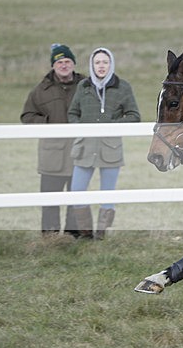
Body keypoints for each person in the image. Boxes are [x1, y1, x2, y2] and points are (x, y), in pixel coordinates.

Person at [68, 47, 140, 239]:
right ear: (92, 64)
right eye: (98, 62)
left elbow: (134, 116)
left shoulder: (123, 87)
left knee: (107, 194)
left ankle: (100, 234)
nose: (101, 66)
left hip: (111, 148)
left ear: (111, 64)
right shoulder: (83, 86)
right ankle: (85, 234)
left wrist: (112, 126)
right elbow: (72, 113)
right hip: (85, 147)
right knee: (76, 191)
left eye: (105, 62)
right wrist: (80, 127)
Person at [20, 44, 86, 237]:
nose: (64, 65)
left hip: (79, 153)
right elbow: (27, 116)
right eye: (59, 62)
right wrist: (49, 124)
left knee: (78, 199)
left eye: (67, 61)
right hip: (52, 156)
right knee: (50, 200)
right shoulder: (41, 90)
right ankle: (49, 237)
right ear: (53, 65)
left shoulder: (86, 86)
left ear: (73, 64)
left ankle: (74, 237)